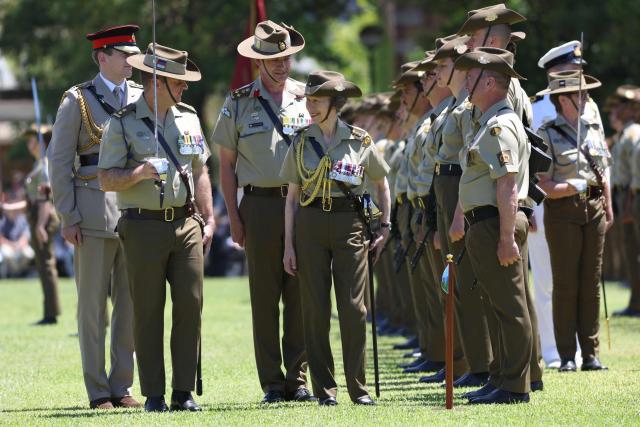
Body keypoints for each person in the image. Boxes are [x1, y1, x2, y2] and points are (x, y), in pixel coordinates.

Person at [98, 43, 215, 412]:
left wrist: (209, 219)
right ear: (156, 81)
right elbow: (105, 178)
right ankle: (154, 394)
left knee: (191, 305)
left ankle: (183, 392)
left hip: (186, 225)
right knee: (147, 311)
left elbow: (200, 170)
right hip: (142, 226)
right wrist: (139, 173)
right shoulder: (122, 121)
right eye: (177, 82)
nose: (184, 88)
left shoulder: (190, 118)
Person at [211, 20, 313, 404]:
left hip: (303, 205)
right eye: (274, 58)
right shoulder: (238, 102)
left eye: (286, 56)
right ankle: (272, 382)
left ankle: (298, 379)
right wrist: (235, 218)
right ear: (259, 61)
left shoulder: (308, 98)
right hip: (259, 205)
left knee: (301, 293)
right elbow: (226, 165)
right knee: (265, 297)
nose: (283, 64)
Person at [281, 71, 391, 406]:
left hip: (350, 224)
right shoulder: (300, 142)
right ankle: (324, 390)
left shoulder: (360, 140)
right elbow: (291, 197)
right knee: (315, 308)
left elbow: (382, 184)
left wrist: (385, 225)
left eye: (317, 101)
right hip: (311, 224)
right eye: (308, 100)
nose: (310, 107)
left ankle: (358, 388)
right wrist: (288, 245)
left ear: (335, 103)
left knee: (354, 309)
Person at [47, 25, 142, 410]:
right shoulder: (78, 101)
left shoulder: (142, 95)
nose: (131, 61)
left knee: (130, 306)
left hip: (136, 212)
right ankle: (98, 390)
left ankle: (122, 386)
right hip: (91, 214)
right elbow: (58, 161)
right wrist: (66, 215)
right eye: (124, 54)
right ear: (103, 57)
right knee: (92, 310)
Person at [454, 47, 532, 404]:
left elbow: (507, 184)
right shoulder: (486, 121)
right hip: (483, 223)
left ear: (488, 82)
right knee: (496, 305)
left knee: (510, 307)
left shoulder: (499, 125)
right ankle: (501, 377)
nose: (465, 83)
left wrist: (505, 238)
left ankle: (515, 385)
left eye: (471, 77)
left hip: (494, 223)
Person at [537, 70, 612, 373]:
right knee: (566, 284)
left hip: (593, 209)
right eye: (579, 95)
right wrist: (571, 187)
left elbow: (603, 169)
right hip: (563, 211)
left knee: (591, 283)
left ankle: (591, 354)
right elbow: (543, 183)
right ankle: (568, 354)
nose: (585, 99)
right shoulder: (547, 133)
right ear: (563, 99)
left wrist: (608, 205)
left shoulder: (592, 127)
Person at [530, 40, 598, 367]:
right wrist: (526, 206)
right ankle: (553, 351)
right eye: (570, 72)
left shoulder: (590, 106)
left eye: (579, 71)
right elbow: (526, 162)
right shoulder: (537, 108)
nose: (577, 78)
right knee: (547, 279)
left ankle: (585, 350)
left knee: (583, 278)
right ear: (553, 73)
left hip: (583, 201)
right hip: (545, 200)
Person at [431, 35, 493, 387]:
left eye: (443, 65)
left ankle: (480, 363)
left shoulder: (466, 106)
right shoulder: (451, 106)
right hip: (445, 186)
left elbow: (467, 160)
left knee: (467, 282)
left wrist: (456, 211)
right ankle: (472, 361)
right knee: (454, 283)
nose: (438, 71)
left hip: (459, 188)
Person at [24, 125, 61, 325]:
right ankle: (49, 311)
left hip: (43, 217)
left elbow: (45, 198)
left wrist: (40, 225)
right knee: (43, 264)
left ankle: (51, 314)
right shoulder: (39, 164)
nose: (29, 144)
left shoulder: (45, 165)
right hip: (38, 216)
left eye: (32, 140)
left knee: (46, 265)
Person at [610, 86, 640, 317]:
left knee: (635, 251)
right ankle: (635, 302)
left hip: (632, 196)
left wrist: (629, 204)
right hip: (625, 196)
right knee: (630, 253)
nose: (616, 109)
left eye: (621, 105)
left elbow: (635, 172)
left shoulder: (633, 133)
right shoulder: (624, 134)